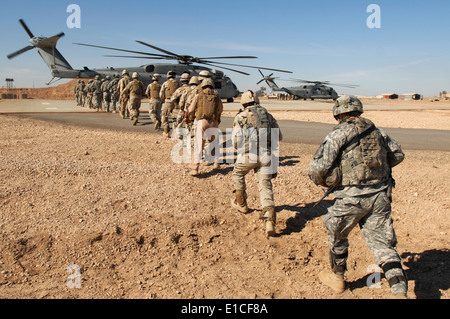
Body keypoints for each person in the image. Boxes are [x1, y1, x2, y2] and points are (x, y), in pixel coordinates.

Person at [307, 95, 408, 298]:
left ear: (338, 113)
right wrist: (376, 173)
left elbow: (316, 169)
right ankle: (399, 291)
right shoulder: (377, 131)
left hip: (351, 198)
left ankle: (338, 278)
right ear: (358, 110)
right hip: (380, 197)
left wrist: (328, 181)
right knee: (382, 244)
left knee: (336, 232)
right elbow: (397, 154)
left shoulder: (338, 134)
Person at [230, 90, 283, 238]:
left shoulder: (240, 116)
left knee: (238, 173)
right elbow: (279, 136)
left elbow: (235, 141)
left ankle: (241, 204)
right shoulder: (267, 115)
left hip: (249, 155)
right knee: (264, 185)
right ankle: (269, 222)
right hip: (266, 155)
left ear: (243, 102)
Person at [187, 78, 223, 176]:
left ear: (202, 86)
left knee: (199, 145)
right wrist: (217, 120)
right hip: (214, 122)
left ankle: (195, 168)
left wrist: (191, 117)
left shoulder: (198, 95)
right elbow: (220, 109)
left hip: (202, 122)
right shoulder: (216, 96)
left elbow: (191, 109)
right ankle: (216, 163)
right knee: (214, 143)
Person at [160, 71, 180, 137]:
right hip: (175, 102)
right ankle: (176, 133)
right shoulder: (177, 83)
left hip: (168, 101)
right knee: (175, 118)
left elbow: (161, 94)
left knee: (164, 116)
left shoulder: (165, 83)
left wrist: (163, 101)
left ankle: (166, 131)